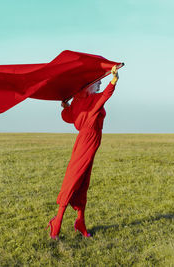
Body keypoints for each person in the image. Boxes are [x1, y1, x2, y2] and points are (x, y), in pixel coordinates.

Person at [47, 65, 120, 239]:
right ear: (88, 86)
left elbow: (69, 117)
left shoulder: (80, 102)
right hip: (87, 142)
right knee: (74, 179)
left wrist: (66, 106)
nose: (99, 83)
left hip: (88, 142)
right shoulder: (92, 100)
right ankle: (57, 221)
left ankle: (80, 221)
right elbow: (106, 95)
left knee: (83, 182)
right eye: (96, 83)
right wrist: (114, 79)